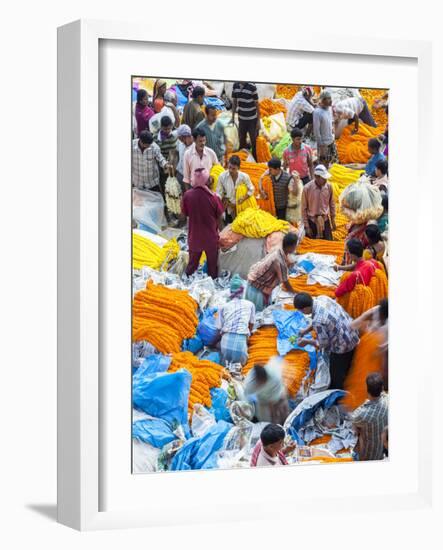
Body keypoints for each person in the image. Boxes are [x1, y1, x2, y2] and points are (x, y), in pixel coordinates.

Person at [294, 293, 360, 390]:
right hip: (352, 331)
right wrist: (306, 330)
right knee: (348, 363)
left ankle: (339, 391)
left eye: (300, 311)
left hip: (343, 345)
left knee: (337, 373)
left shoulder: (318, 321)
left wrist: (306, 341)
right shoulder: (322, 298)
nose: (301, 313)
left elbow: (323, 344)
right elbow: (324, 321)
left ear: (305, 309)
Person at [181, 168, 224, 279]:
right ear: (207, 180)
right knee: (212, 268)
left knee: (192, 266)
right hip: (211, 239)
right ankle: (212, 287)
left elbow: (183, 215)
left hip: (194, 237)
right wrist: (222, 234)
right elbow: (219, 219)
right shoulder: (214, 198)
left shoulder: (187, 195)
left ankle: (186, 283)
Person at [245, 232, 298, 312]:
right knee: (258, 312)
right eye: (294, 246)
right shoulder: (280, 262)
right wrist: (295, 293)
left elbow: (286, 260)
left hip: (254, 278)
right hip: (258, 286)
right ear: (289, 247)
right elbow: (285, 282)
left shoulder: (278, 249)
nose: (295, 248)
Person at [216, 275, 256, 366]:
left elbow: (219, 328)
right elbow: (251, 325)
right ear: (242, 291)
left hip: (225, 345)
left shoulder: (223, 307)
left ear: (230, 292)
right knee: (241, 366)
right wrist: (247, 339)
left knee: (225, 364)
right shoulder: (250, 305)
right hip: (241, 346)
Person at [350, 372, 388, 461]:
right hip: (381, 450)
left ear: (367, 390)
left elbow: (354, 420)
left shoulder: (361, 414)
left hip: (368, 455)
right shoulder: (387, 401)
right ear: (382, 388)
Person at [244, 360, 289, 425]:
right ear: (256, 379)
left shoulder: (274, 375)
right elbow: (246, 396)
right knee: (266, 421)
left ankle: (286, 424)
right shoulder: (250, 383)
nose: (262, 383)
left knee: (283, 411)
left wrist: (274, 413)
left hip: (278, 394)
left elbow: (273, 401)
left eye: (263, 381)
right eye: (260, 382)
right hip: (263, 400)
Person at [301, 164, 336, 239]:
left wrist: (333, 219)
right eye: (323, 178)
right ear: (316, 177)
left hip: (325, 220)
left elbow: (332, 203)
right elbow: (303, 208)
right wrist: (307, 226)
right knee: (313, 247)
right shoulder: (307, 188)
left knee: (328, 245)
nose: (326, 180)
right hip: (312, 222)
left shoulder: (329, 187)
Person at [216, 155, 254, 222]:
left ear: (238, 168)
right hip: (229, 207)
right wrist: (222, 199)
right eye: (229, 167)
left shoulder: (244, 177)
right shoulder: (222, 176)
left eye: (233, 169)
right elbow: (219, 192)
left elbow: (251, 189)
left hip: (242, 207)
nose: (230, 170)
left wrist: (243, 198)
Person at [231, 81, 261, 160]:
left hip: (252, 120)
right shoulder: (235, 85)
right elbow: (234, 102)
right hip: (242, 119)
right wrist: (232, 117)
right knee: (242, 141)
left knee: (254, 141)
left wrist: (258, 121)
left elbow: (257, 104)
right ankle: (242, 160)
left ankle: (256, 160)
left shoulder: (252, 86)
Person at [313, 90, 337, 167]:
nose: (331, 100)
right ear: (323, 100)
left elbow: (331, 121)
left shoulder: (329, 108)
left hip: (331, 140)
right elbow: (316, 131)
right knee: (324, 164)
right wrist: (321, 145)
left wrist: (333, 132)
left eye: (330, 98)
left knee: (333, 162)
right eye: (328, 98)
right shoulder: (317, 112)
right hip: (324, 143)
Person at [175, 124, 194, 191]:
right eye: (179, 138)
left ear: (187, 136)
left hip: (190, 178)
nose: (180, 140)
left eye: (181, 138)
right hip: (180, 174)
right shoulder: (180, 143)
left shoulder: (195, 147)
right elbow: (176, 152)